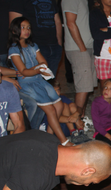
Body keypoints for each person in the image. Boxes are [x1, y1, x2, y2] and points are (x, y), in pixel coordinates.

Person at [8, 17, 76, 146]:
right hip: (28, 84)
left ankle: (48, 137)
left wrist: (35, 69)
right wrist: (37, 69)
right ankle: (63, 141)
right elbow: (23, 71)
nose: (27, 30)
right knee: (50, 110)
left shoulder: (33, 45)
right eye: (23, 27)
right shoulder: (14, 49)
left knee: (59, 105)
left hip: (39, 80)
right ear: (14, 30)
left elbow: (43, 62)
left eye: (28, 27)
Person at [62, 0, 98, 119]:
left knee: (87, 85)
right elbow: (70, 23)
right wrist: (82, 48)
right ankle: (77, 121)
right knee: (83, 85)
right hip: (78, 47)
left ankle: (81, 116)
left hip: (87, 46)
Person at [9, 0, 64, 77]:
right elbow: (14, 24)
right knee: (35, 77)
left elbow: (57, 21)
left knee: (50, 78)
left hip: (53, 45)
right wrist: (20, 47)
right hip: (33, 46)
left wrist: (59, 44)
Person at [50, 79, 90, 144]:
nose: (57, 93)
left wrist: (76, 115)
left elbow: (79, 108)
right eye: (54, 91)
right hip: (57, 129)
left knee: (72, 105)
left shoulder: (61, 97)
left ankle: (80, 132)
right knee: (65, 106)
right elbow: (53, 119)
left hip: (70, 125)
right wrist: (72, 119)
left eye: (58, 90)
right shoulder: (47, 103)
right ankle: (73, 133)